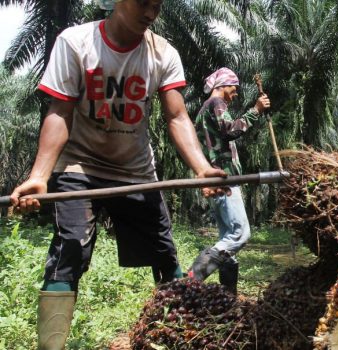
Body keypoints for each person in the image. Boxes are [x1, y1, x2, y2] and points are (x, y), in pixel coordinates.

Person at [9, 1, 228, 348]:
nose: (150, 13)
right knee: (70, 251)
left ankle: (178, 337)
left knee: (165, 254)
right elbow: (60, 112)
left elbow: (176, 117)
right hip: (79, 166)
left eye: (156, 5)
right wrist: (40, 175)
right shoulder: (75, 42)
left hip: (135, 171)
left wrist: (201, 168)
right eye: (143, 3)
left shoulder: (162, 53)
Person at [187, 68, 270, 295]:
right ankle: (191, 278)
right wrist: (256, 111)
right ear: (223, 85)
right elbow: (230, 130)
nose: (236, 93)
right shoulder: (216, 103)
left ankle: (227, 296)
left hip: (217, 179)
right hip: (224, 179)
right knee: (240, 234)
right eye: (234, 87)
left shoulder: (204, 110)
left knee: (227, 241)